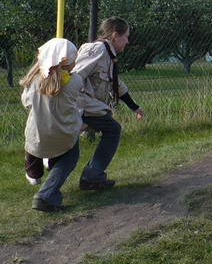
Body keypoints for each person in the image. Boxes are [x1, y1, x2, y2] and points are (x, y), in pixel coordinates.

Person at [73, 16, 144, 191]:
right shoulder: (98, 50)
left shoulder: (108, 54)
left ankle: (89, 175)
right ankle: (92, 176)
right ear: (115, 35)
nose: (127, 41)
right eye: (126, 36)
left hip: (89, 106)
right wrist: (77, 107)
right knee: (112, 129)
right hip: (82, 105)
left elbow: (115, 84)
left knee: (71, 142)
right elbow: (76, 75)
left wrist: (134, 106)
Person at [21, 38, 83, 212]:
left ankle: (38, 173)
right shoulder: (75, 81)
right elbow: (79, 104)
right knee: (69, 158)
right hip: (64, 136)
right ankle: (46, 195)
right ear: (68, 61)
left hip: (38, 135)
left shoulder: (34, 81)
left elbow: (26, 103)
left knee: (35, 148)